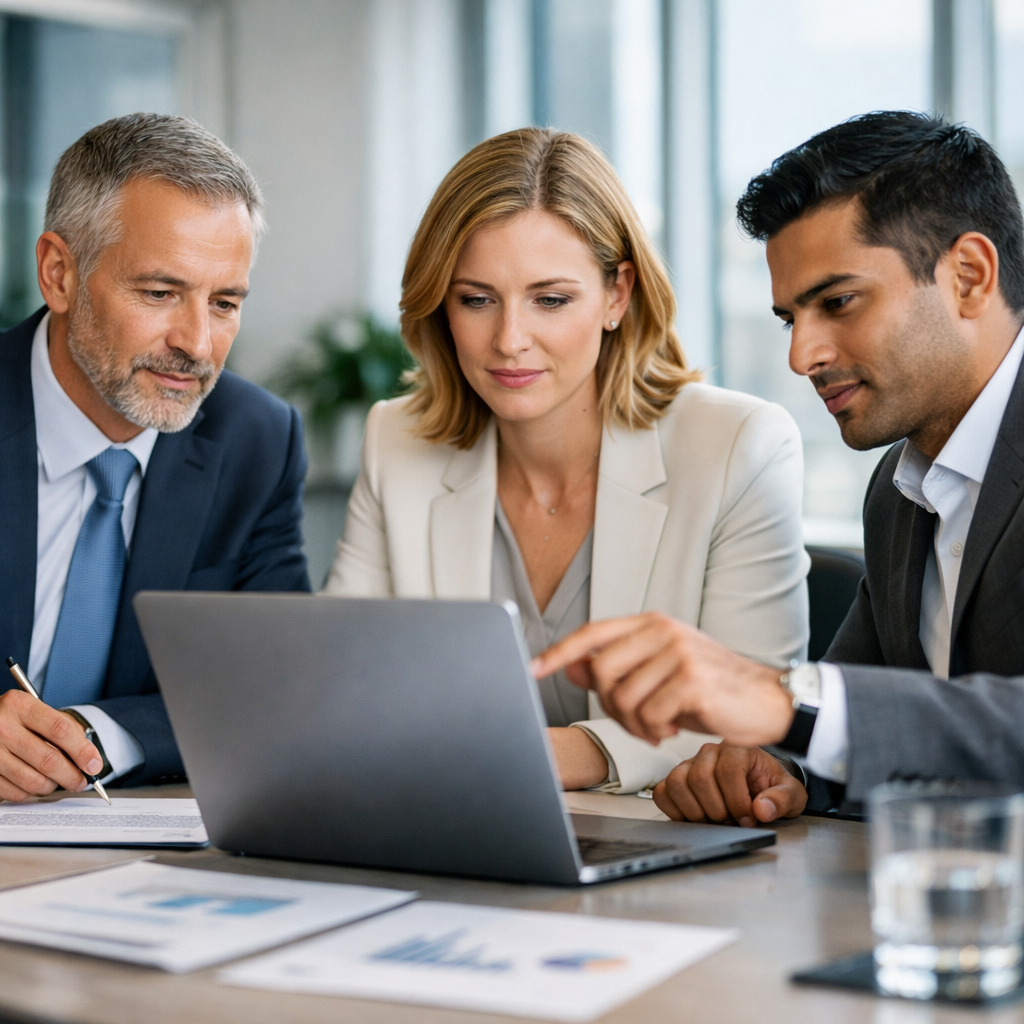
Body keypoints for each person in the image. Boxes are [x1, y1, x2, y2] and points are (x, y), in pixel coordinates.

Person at [532, 111, 1024, 822]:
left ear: (970, 276)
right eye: (791, 318)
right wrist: (778, 769)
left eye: (838, 302)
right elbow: (872, 724)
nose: (803, 357)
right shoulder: (901, 490)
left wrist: (774, 699)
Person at [323, 127, 809, 792]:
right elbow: (341, 683)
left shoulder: (739, 446)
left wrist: (555, 755)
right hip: (452, 835)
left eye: (550, 299)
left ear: (617, 295)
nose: (509, 340)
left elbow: (755, 716)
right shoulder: (396, 442)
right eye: (476, 299)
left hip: (659, 857)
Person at [0, 113, 310, 802]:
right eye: (160, 293)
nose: (198, 344)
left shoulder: (256, 441)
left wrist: (97, 736)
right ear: (59, 273)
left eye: (225, 302)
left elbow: (273, 687)